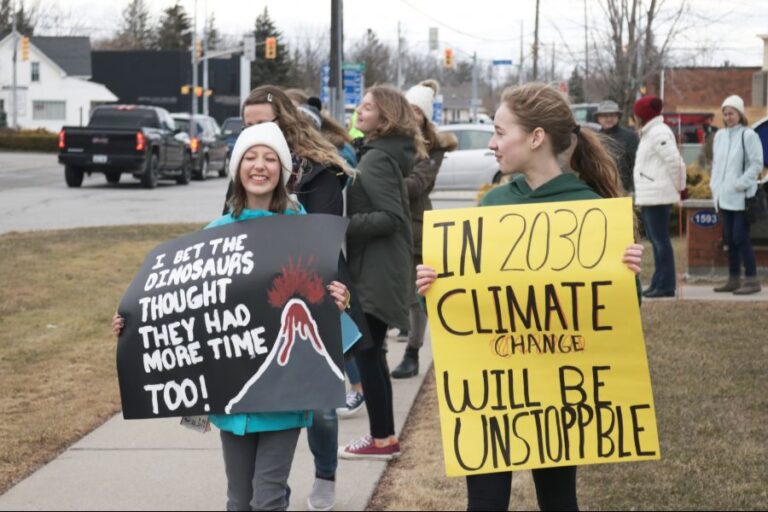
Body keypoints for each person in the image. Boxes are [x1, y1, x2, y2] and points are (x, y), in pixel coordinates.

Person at [414, 82, 644, 511]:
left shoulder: (590, 209)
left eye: (500, 132)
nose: (492, 144)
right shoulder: (495, 204)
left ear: (536, 137)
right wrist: (435, 288)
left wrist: (627, 274)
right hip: (492, 392)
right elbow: (466, 311)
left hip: (557, 392)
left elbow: (617, 317)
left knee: (559, 502)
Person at [113, 122, 351, 512]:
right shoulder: (214, 236)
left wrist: (336, 302)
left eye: (270, 158)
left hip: (286, 400)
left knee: (268, 499)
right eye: (250, 157)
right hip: (233, 405)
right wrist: (133, 326)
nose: (260, 166)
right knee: (239, 501)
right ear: (238, 168)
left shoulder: (303, 230)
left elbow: (320, 303)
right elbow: (183, 308)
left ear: (283, 170)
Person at [338, 85, 426, 460]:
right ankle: (384, 438)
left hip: (376, 268)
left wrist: (343, 223)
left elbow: (391, 217)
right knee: (372, 354)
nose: (359, 110)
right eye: (360, 105)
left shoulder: (376, 159)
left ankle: (381, 439)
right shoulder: (382, 153)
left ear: (385, 116)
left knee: (368, 353)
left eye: (368, 107)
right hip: (379, 264)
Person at [391, 79, 457, 380]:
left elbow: (417, 185)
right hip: (389, 223)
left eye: (418, 111)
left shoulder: (434, 148)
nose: (412, 115)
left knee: (416, 293)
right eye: (408, 109)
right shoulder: (391, 140)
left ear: (426, 117)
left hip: (416, 226)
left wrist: (381, 183)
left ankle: (412, 352)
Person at [710, 95, 764, 295]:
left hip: (742, 198)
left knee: (740, 237)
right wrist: (715, 187)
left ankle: (752, 280)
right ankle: (733, 279)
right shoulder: (720, 136)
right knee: (729, 239)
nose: (728, 117)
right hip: (724, 197)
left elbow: (756, 164)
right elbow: (716, 165)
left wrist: (740, 183)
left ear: (740, 114)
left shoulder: (748, 135)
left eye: (731, 113)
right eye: (725, 113)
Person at [632, 95, 685, 299]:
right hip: (650, 195)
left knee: (661, 241)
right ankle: (658, 282)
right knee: (656, 241)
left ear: (643, 115)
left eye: (636, 114)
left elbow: (675, 162)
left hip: (658, 196)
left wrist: (681, 188)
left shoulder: (658, 133)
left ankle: (666, 285)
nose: (634, 118)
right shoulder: (650, 132)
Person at [594, 99, 639, 194]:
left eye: (612, 115)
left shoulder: (630, 137)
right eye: (605, 116)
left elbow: (636, 165)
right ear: (598, 118)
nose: (609, 119)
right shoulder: (594, 139)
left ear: (618, 117)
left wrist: (632, 190)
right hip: (601, 191)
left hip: (625, 191)